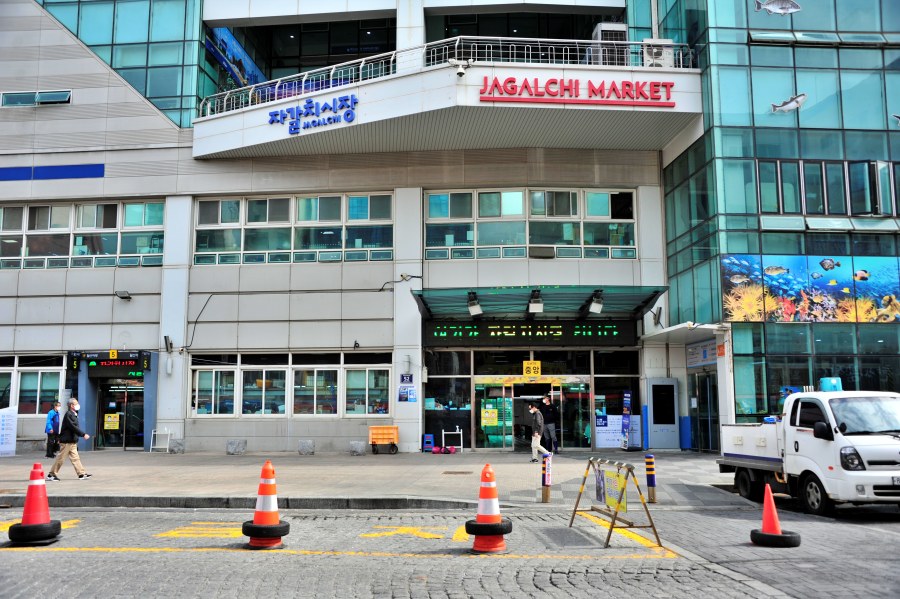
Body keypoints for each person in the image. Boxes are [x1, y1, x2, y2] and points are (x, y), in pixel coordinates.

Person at [47, 398, 92, 481]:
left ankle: (81, 474)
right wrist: (83, 434)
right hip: (67, 442)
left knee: (76, 458)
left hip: (72, 441)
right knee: (61, 458)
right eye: (76, 403)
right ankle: (51, 475)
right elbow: (73, 427)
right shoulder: (68, 414)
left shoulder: (74, 414)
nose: (78, 405)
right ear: (71, 405)